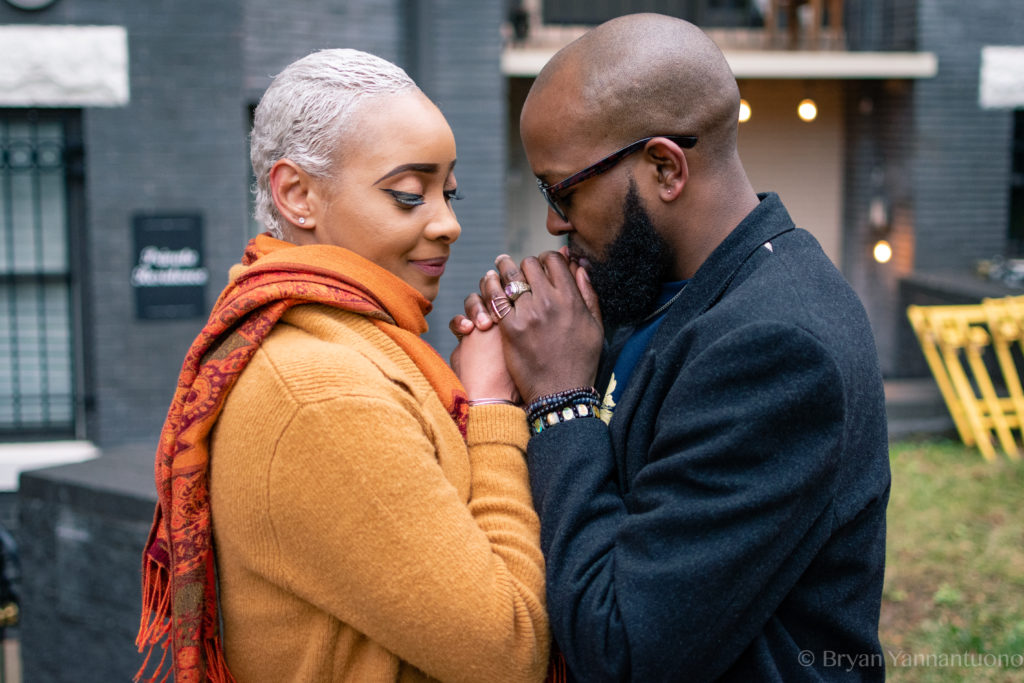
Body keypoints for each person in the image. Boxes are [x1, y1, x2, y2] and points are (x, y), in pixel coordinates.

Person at [453, 13, 890, 682]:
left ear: (664, 165)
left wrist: (560, 401)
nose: (553, 221)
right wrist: (529, 351)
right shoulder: (659, 290)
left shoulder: (778, 346)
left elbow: (625, 648)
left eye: (563, 189)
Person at [135, 49, 549, 683]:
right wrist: (491, 407)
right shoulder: (319, 393)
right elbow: (506, 652)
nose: (449, 223)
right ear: (297, 194)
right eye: (410, 195)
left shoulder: (356, 345)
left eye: (449, 191)